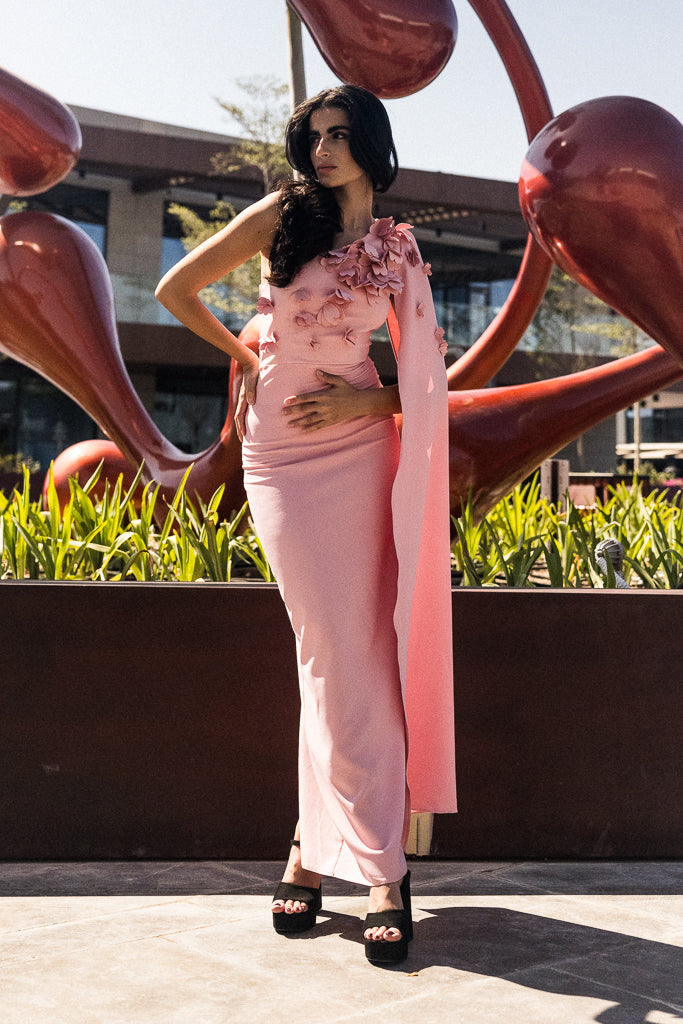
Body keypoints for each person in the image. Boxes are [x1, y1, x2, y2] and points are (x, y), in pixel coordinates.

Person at [156, 84, 456, 966]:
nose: (321, 150)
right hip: (276, 457)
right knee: (327, 650)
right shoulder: (281, 215)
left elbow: (430, 382)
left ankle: (340, 857)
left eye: (338, 136)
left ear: (370, 142)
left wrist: (367, 403)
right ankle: (370, 863)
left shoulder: (397, 251)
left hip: (358, 459)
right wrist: (250, 355)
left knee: (349, 650)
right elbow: (178, 288)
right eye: (312, 137)